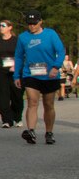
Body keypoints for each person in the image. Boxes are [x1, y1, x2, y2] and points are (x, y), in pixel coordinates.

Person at [15, 9, 66, 145]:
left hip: (49, 75)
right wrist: (16, 75)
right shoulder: (23, 37)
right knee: (32, 101)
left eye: (34, 23)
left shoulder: (51, 34)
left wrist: (56, 67)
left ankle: (49, 132)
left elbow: (61, 51)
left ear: (40, 22)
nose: (32, 26)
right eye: (29, 23)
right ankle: (31, 131)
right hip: (30, 74)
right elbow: (19, 57)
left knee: (48, 104)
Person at [0, 18, 24, 129]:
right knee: (3, 95)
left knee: (17, 96)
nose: (1, 28)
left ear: (10, 27)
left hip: (16, 72)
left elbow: (23, 55)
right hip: (1, 71)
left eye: (3, 25)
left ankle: (17, 117)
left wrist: (17, 66)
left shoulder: (17, 41)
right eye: (0, 26)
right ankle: (6, 120)